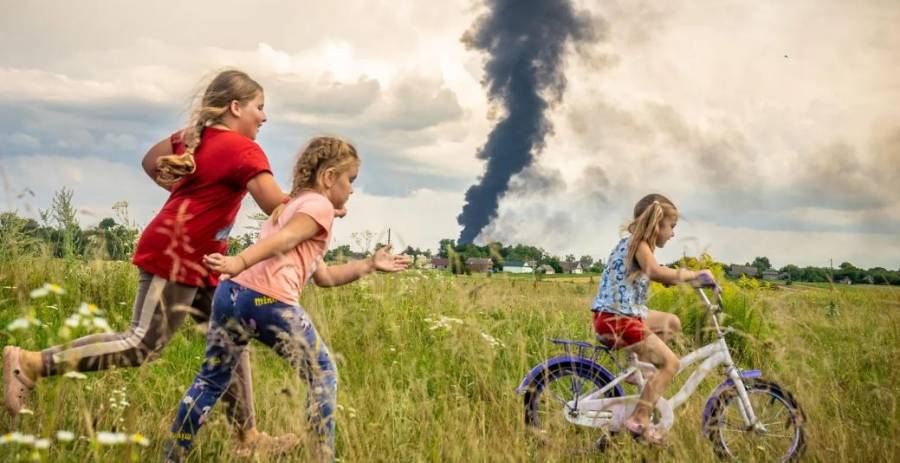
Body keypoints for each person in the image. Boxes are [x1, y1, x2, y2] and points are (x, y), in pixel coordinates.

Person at [3, 69, 294, 454]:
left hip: (205, 262)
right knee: (141, 344)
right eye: (260, 107)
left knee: (231, 339)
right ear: (236, 107)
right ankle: (31, 363)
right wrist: (320, 202)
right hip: (175, 255)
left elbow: (150, 160)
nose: (264, 117)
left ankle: (248, 437)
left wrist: (184, 190)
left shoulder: (197, 138)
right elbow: (276, 206)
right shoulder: (243, 149)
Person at [166, 136, 411, 461]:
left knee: (211, 380)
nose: (351, 190)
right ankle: (321, 457)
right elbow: (285, 239)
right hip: (268, 302)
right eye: (349, 180)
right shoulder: (317, 208)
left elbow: (323, 277)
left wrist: (369, 264)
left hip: (230, 294)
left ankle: (172, 454)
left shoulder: (291, 208)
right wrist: (238, 261)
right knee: (323, 373)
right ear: (328, 177)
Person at [591, 193, 716, 444]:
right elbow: (655, 271)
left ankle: (637, 368)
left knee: (672, 322)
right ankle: (639, 419)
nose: (672, 234)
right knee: (671, 364)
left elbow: (650, 272)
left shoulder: (635, 244)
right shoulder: (639, 245)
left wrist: (673, 279)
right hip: (618, 319)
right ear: (656, 223)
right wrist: (694, 275)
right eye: (671, 227)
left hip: (621, 315)